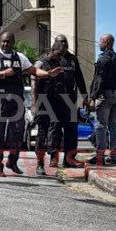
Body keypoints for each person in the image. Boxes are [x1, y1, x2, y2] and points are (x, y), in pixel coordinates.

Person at [0, 32, 62, 177]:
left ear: (13, 42)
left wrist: (48, 74)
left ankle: (12, 161)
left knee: (18, 132)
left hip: (17, 100)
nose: (5, 44)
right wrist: (4, 73)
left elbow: (34, 70)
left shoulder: (19, 57)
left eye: (8, 42)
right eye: (3, 41)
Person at [32, 42, 70, 176]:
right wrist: (34, 103)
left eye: (62, 55)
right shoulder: (41, 62)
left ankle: (53, 158)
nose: (60, 57)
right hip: (43, 102)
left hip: (58, 102)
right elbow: (34, 75)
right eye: (58, 54)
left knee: (56, 131)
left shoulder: (62, 63)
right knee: (42, 132)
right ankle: (40, 164)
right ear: (52, 50)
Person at [89, 34, 116, 166]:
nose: (99, 43)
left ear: (106, 42)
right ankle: (113, 156)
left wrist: (93, 97)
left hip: (104, 95)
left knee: (100, 125)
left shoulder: (103, 59)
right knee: (113, 125)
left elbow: (99, 79)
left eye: (100, 41)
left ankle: (100, 157)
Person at [52, 34, 87, 168]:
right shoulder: (51, 58)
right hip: (54, 100)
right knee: (55, 130)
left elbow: (80, 79)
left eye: (65, 42)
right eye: (61, 42)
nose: (64, 45)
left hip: (70, 100)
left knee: (71, 131)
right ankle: (53, 158)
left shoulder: (73, 59)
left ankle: (69, 159)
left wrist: (85, 97)